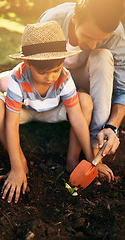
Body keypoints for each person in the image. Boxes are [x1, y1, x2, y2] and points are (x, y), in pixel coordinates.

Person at [0, 21, 94, 203]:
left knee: (85, 101)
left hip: (53, 111)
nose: (50, 78)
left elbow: (76, 116)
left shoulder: (64, 77)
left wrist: (92, 159)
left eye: (55, 70)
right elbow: (11, 124)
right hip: (24, 112)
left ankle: (72, 161)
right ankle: (20, 163)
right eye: (42, 72)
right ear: (27, 63)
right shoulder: (17, 78)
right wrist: (16, 167)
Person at [37, 0, 125, 181]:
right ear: (75, 19)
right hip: (53, 84)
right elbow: (35, 67)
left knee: (102, 55)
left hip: (87, 80)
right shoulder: (51, 21)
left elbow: (122, 88)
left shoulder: (115, 33)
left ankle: (95, 145)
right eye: (88, 36)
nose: (93, 45)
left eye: (99, 39)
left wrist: (112, 125)